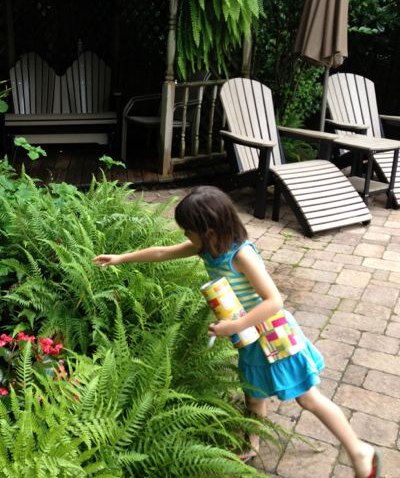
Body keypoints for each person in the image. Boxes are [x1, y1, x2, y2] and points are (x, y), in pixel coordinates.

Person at [92, 186, 380, 478]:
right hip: (249, 337)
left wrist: (234, 326)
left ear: (210, 230)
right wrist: (121, 258)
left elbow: (274, 301)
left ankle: (359, 450)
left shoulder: (241, 255)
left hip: (273, 334)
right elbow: (164, 252)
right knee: (253, 395)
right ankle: (252, 443)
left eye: (188, 231)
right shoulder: (207, 248)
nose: (185, 237)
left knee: (307, 398)